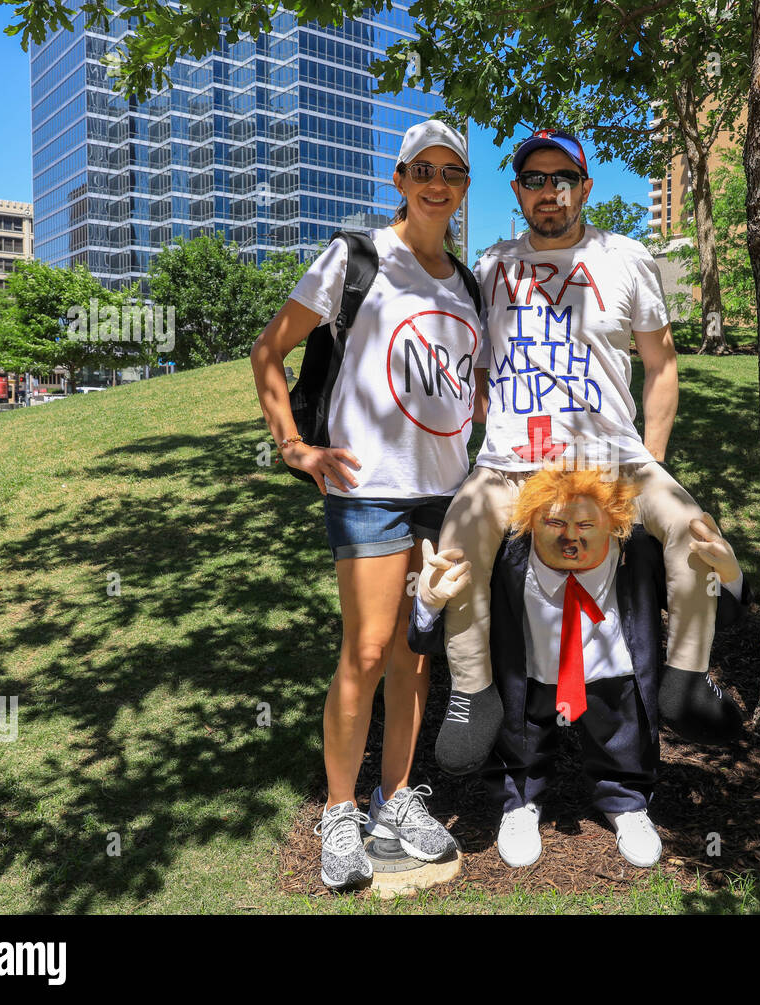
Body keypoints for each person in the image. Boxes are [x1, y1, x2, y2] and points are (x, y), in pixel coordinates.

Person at [429, 127, 744, 776]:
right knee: (459, 535)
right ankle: (472, 693)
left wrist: (651, 459)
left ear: (585, 187)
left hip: (615, 454)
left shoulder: (627, 258)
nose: (550, 192)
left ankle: (685, 680)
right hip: (517, 459)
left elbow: (662, 366)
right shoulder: (489, 267)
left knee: (693, 530)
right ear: (517, 191)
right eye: (535, 180)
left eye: (562, 179)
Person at [249, 119, 484, 889]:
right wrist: (293, 446)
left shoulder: (466, 281)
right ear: (400, 178)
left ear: (463, 187)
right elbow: (268, 350)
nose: (438, 182)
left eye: (452, 171)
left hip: (442, 495)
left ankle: (393, 800)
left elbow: (466, 383)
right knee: (368, 649)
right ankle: (341, 811)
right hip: (369, 490)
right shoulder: (355, 257)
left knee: (416, 661)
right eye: (425, 168)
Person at [408, 467, 750, 868]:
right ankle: (518, 802)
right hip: (533, 673)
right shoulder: (508, 558)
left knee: (624, 737)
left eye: (587, 524)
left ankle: (627, 800)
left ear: (613, 522)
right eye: (554, 522)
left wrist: (729, 577)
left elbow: (706, 612)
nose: (571, 536)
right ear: (531, 522)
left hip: (613, 674)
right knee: (519, 738)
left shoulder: (636, 555)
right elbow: (443, 631)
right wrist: (429, 601)